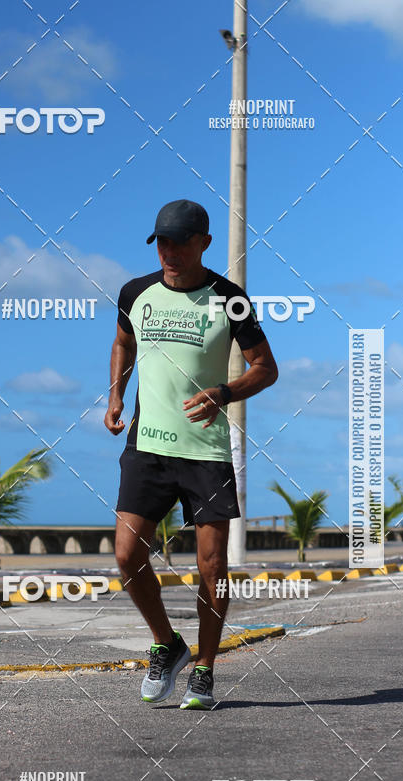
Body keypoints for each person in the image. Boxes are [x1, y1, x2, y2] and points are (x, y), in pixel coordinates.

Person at [104, 199, 278, 710]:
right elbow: (122, 342)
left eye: (181, 242)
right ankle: (167, 643)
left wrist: (223, 393)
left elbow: (265, 368)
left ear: (203, 242)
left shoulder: (230, 299)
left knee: (212, 566)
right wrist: (116, 393)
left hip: (205, 453)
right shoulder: (135, 292)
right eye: (162, 242)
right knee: (126, 552)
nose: (170, 252)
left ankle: (204, 667)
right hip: (147, 445)